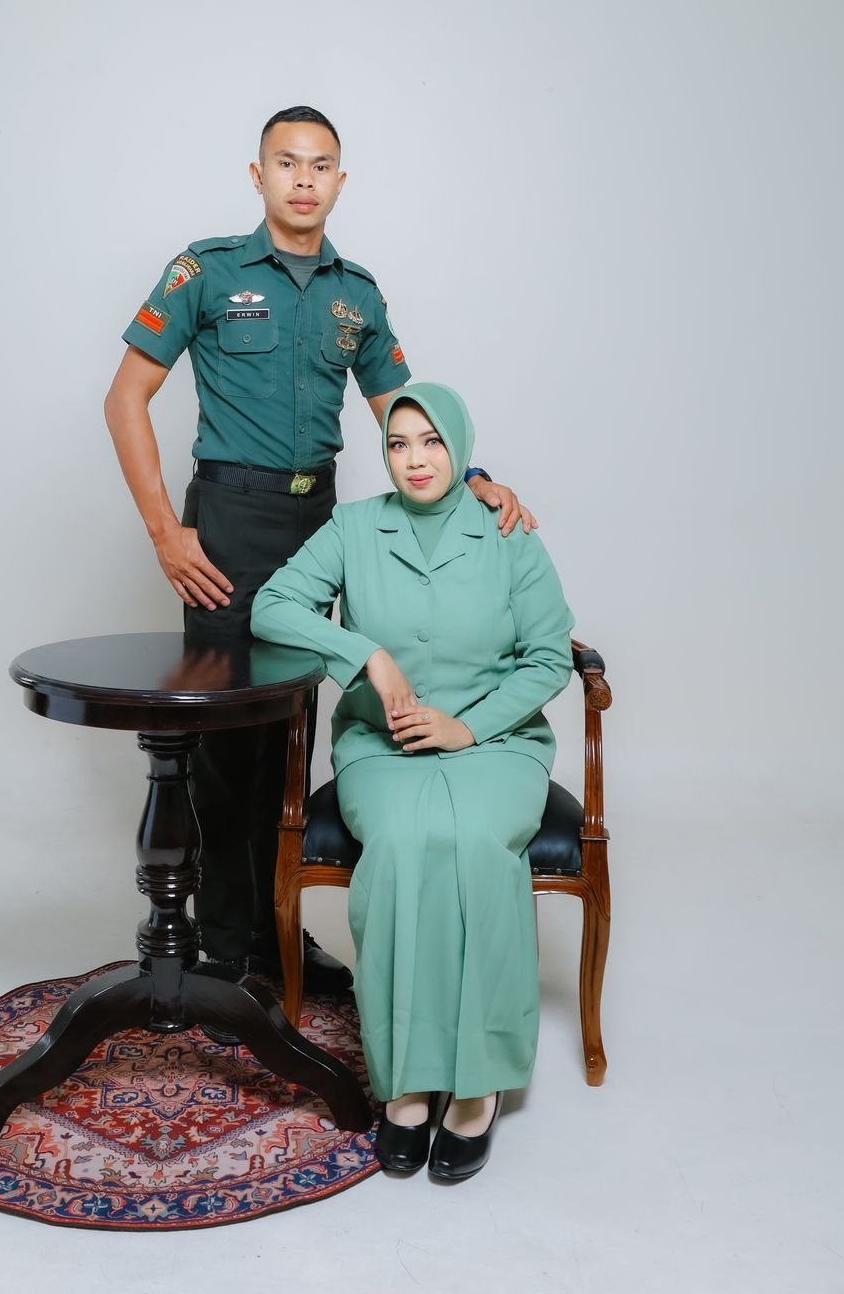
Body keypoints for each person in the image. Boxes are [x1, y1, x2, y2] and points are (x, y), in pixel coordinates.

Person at [103, 108, 534, 997]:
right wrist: (165, 533)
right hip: (228, 523)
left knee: (292, 730)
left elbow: (401, 412)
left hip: (318, 524)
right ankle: (224, 948)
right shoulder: (207, 271)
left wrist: (476, 477)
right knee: (226, 737)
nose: (304, 179)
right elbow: (125, 398)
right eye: (287, 163)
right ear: (257, 175)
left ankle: (277, 936)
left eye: (321, 165)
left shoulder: (357, 295)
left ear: (341, 180)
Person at [251, 383, 573, 1182]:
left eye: (431, 442)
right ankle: (407, 1077)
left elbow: (548, 656)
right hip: (383, 745)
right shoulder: (354, 527)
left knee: (474, 844)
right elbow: (272, 606)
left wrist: (471, 726)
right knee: (398, 846)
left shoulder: (507, 532)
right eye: (399, 445)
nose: (416, 460)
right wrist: (365, 655)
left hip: (497, 745)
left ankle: (478, 1081)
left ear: (459, 448)